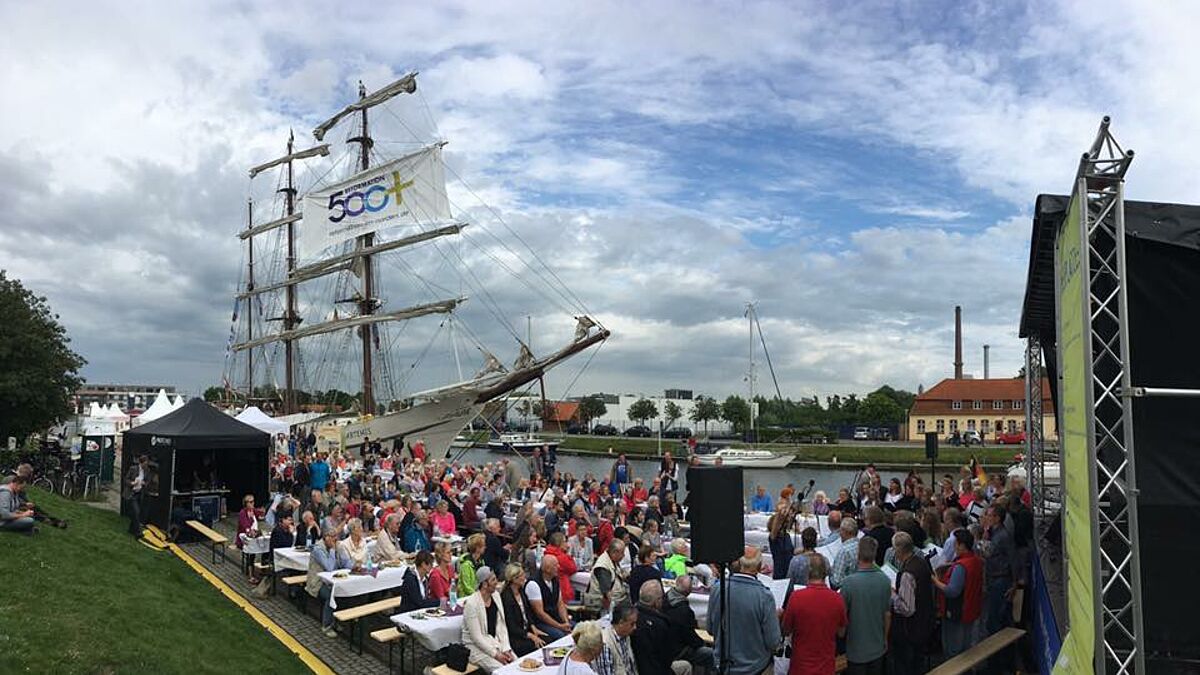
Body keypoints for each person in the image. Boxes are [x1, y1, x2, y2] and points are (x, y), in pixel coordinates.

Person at [708, 550, 781, 675]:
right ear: (758, 567)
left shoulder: (718, 589)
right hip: (754, 667)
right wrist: (776, 619)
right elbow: (773, 641)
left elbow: (710, 629)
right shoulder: (764, 596)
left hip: (723, 666)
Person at [781, 553, 846, 675]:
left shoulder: (796, 597)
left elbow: (786, 630)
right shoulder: (837, 599)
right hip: (826, 666)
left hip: (800, 666)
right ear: (826, 572)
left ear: (808, 573)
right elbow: (841, 632)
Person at [839, 537, 891, 674]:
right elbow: (887, 615)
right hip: (877, 647)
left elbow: (842, 620)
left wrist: (840, 633)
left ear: (858, 554)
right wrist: (885, 639)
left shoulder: (848, 583)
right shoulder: (885, 580)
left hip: (856, 650)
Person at [932, 528, 984, 658]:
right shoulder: (976, 560)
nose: (953, 546)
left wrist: (935, 581)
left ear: (962, 545)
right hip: (971, 608)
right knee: (966, 643)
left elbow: (952, 591)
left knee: (953, 648)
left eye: (955, 544)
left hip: (957, 611)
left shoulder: (961, 567)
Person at [889, 532, 935, 675]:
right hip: (925, 620)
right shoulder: (921, 562)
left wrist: (893, 595)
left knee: (908, 665)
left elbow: (908, 609)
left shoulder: (908, 574)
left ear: (898, 550)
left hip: (910, 629)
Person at [461, 566, 516, 670]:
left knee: (515, 663)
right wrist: (496, 654)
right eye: (493, 580)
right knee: (502, 669)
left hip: (493, 642)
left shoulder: (496, 596)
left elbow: (501, 626)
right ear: (485, 584)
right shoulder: (472, 604)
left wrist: (506, 648)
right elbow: (476, 638)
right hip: (475, 647)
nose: (497, 582)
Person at [632, 581, 691, 674]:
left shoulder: (632, 618)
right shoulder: (660, 624)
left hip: (638, 668)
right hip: (657, 670)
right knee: (686, 666)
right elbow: (667, 658)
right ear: (657, 601)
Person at [981, 504, 1021, 638]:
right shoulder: (993, 533)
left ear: (997, 518)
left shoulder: (1003, 536)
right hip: (994, 578)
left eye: (989, 515)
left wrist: (1014, 583)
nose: (986, 517)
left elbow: (1013, 559)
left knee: (997, 619)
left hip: (1001, 580)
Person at [306, 527, 352, 637]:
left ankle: (337, 620)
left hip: (334, 580)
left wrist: (342, 552)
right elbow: (329, 567)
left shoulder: (337, 545)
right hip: (317, 582)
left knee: (345, 591)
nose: (335, 539)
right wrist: (332, 549)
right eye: (332, 536)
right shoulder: (318, 549)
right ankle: (327, 625)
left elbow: (347, 564)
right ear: (325, 537)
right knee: (331, 594)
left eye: (336, 536)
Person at [663, 575, 713, 671]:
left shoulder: (665, 598)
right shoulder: (684, 611)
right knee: (711, 654)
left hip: (668, 645)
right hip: (679, 649)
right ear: (689, 591)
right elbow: (690, 637)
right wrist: (702, 643)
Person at [501, 563, 547, 657]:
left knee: (548, 639)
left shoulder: (521, 591)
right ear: (514, 579)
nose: (524, 577)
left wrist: (534, 628)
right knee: (538, 646)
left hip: (527, 630)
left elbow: (527, 612)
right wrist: (530, 635)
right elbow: (512, 627)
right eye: (521, 575)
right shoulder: (507, 598)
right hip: (517, 637)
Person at [527, 555, 572, 640]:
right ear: (547, 569)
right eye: (555, 565)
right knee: (560, 636)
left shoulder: (555, 580)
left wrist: (566, 622)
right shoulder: (533, 584)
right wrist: (559, 626)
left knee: (577, 628)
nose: (558, 567)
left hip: (555, 618)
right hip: (541, 622)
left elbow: (560, 604)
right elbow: (540, 613)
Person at [584, 539, 629, 614]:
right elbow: (607, 594)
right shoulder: (603, 567)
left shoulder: (612, 560)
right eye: (622, 553)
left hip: (616, 598)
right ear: (614, 552)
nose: (623, 556)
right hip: (601, 604)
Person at [595, 602, 639, 675]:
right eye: (632, 624)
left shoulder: (626, 636)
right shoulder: (606, 644)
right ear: (621, 623)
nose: (635, 627)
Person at [545, 531, 579, 603]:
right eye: (565, 542)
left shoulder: (547, 552)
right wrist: (567, 554)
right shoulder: (562, 558)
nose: (567, 545)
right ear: (559, 543)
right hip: (563, 590)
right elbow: (573, 568)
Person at [829, 516, 860, 589]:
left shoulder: (844, 551)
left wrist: (829, 572)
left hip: (845, 591)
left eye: (841, 531)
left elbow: (836, 581)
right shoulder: (862, 545)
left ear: (845, 532)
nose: (840, 533)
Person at [768, 502, 795, 579]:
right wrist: (780, 514)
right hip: (779, 572)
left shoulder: (787, 536)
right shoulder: (773, 538)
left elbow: (791, 551)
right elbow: (776, 527)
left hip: (789, 572)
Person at [125, 454, 149, 537]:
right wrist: (132, 483)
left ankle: (131, 529)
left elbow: (147, 481)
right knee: (136, 511)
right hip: (132, 493)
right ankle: (138, 532)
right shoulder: (133, 469)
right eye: (145, 463)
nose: (146, 465)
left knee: (136, 513)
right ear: (141, 463)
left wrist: (144, 483)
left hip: (139, 493)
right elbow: (126, 479)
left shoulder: (146, 471)